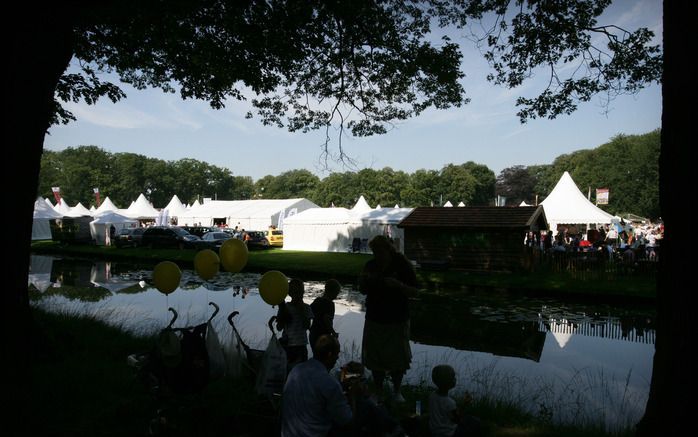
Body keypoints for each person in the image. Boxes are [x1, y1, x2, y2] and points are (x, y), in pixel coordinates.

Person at [358, 235, 418, 403]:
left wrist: (398, 285)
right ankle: (378, 390)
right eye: (374, 251)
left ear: (388, 249)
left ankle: (397, 390)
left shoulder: (402, 265)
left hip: (397, 318)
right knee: (375, 357)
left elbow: (415, 291)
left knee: (398, 357)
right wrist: (363, 282)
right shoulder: (370, 265)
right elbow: (362, 290)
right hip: (375, 317)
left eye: (379, 251)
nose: (377, 255)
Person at [281, 334, 353, 437]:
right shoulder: (329, 383)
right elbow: (347, 421)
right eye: (337, 354)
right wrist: (353, 396)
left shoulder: (295, 371)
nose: (337, 357)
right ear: (329, 354)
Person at [429, 365, 480, 437]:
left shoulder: (432, 396)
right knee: (475, 422)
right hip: (448, 433)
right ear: (449, 383)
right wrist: (465, 403)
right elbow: (457, 420)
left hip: (434, 431)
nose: (455, 379)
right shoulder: (450, 402)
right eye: (453, 377)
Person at [276, 278, 313, 370]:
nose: (297, 294)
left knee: (300, 372)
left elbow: (307, 326)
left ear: (303, 292)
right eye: (295, 291)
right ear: (289, 293)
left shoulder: (306, 308)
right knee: (287, 371)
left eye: (299, 291)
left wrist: (302, 311)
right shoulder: (285, 307)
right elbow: (279, 327)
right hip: (287, 346)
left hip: (301, 346)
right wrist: (282, 312)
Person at [309, 279, 341, 353]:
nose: (336, 296)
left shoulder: (317, 300)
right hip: (323, 336)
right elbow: (327, 320)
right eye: (336, 294)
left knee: (315, 354)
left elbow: (309, 312)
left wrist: (309, 327)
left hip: (313, 333)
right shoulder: (330, 304)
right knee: (323, 355)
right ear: (332, 292)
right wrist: (333, 332)